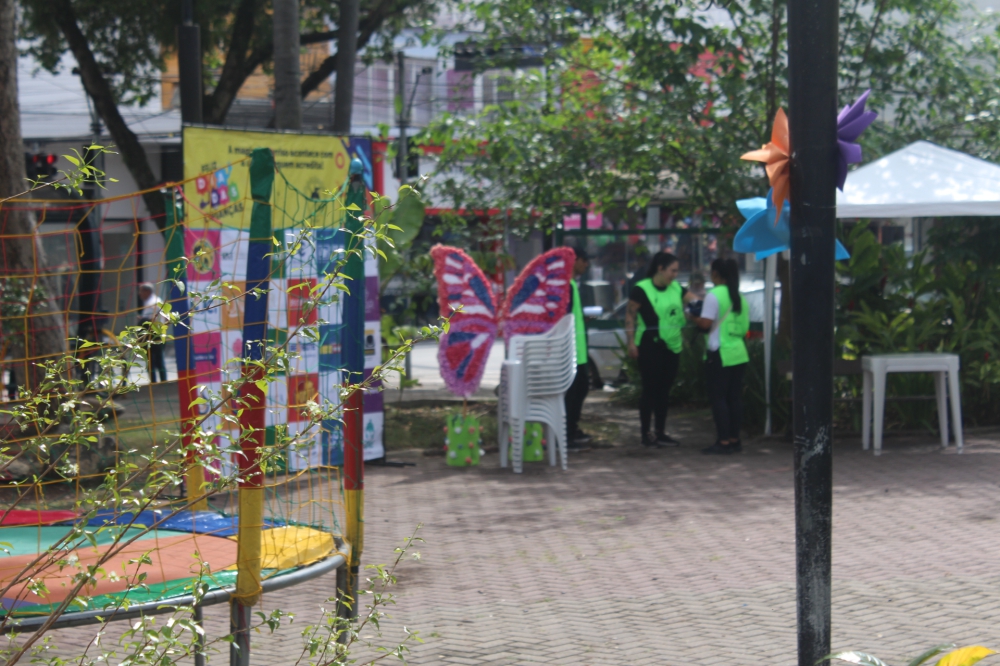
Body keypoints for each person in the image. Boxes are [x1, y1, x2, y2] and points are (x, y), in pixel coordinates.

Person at [625, 251, 696, 448]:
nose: (675, 275)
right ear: (660, 268)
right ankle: (645, 433)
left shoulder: (676, 288)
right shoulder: (642, 289)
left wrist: (698, 309)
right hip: (649, 345)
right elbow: (630, 316)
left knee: (664, 391)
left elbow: (695, 301)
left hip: (672, 347)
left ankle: (661, 432)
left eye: (677, 271)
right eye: (672, 270)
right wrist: (631, 342)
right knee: (650, 389)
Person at [694, 258, 750, 455]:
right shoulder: (740, 297)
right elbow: (745, 327)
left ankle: (723, 441)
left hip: (719, 352)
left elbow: (705, 323)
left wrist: (692, 316)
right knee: (734, 398)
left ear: (716, 274)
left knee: (719, 398)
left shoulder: (714, 295)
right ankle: (734, 440)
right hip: (739, 352)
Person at [565, 246, 591, 449]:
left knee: (581, 388)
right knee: (573, 393)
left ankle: (571, 429)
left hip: (578, 351)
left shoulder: (572, 284)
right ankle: (567, 433)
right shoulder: (567, 286)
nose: (586, 265)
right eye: (584, 260)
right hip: (571, 352)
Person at [138, 282, 168, 383]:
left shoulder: (152, 303)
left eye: (141, 291)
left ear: (147, 291)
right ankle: (162, 381)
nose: (139, 294)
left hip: (153, 335)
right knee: (158, 360)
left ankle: (155, 383)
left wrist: (142, 320)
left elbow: (152, 320)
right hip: (158, 333)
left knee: (152, 360)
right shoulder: (155, 300)